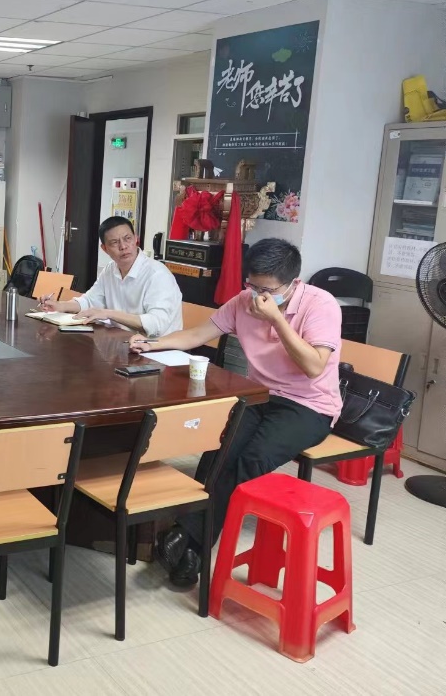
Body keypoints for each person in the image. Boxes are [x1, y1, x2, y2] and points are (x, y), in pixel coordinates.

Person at [127, 238, 342, 587]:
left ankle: (187, 539)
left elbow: (314, 366)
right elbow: (198, 334)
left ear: (292, 283)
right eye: (252, 285)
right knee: (219, 449)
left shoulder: (321, 305)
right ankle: (191, 548)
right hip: (259, 395)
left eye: (266, 290)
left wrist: (277, 319)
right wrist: (151, 344)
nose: (256, 296)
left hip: (309, 405)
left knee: (251, 459)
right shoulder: (244, 300)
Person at [40, 216, 182, 337]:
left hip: (158, 350)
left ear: (136, 239)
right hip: (123, 343)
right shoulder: (110, 270)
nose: (123, 246)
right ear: (104, 249)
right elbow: (90, 301)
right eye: (114, 242)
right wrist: (60, 306)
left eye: (127, 239)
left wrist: (109, 314)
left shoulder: (157, 274)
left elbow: (157, 324)